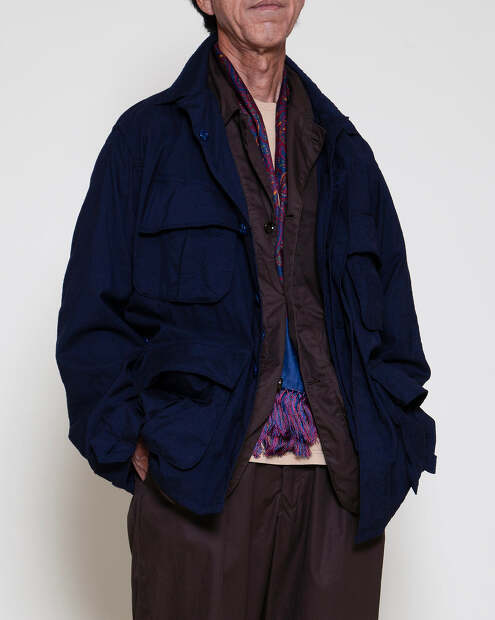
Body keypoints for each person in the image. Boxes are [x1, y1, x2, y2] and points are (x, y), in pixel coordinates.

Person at [55, 1, 437, 618]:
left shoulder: (346, 152)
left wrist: (394, 444)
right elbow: (90, 321)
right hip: (201, 485)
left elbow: (397, 327)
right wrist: (138, 449)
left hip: (339, 492)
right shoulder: (146, 140)